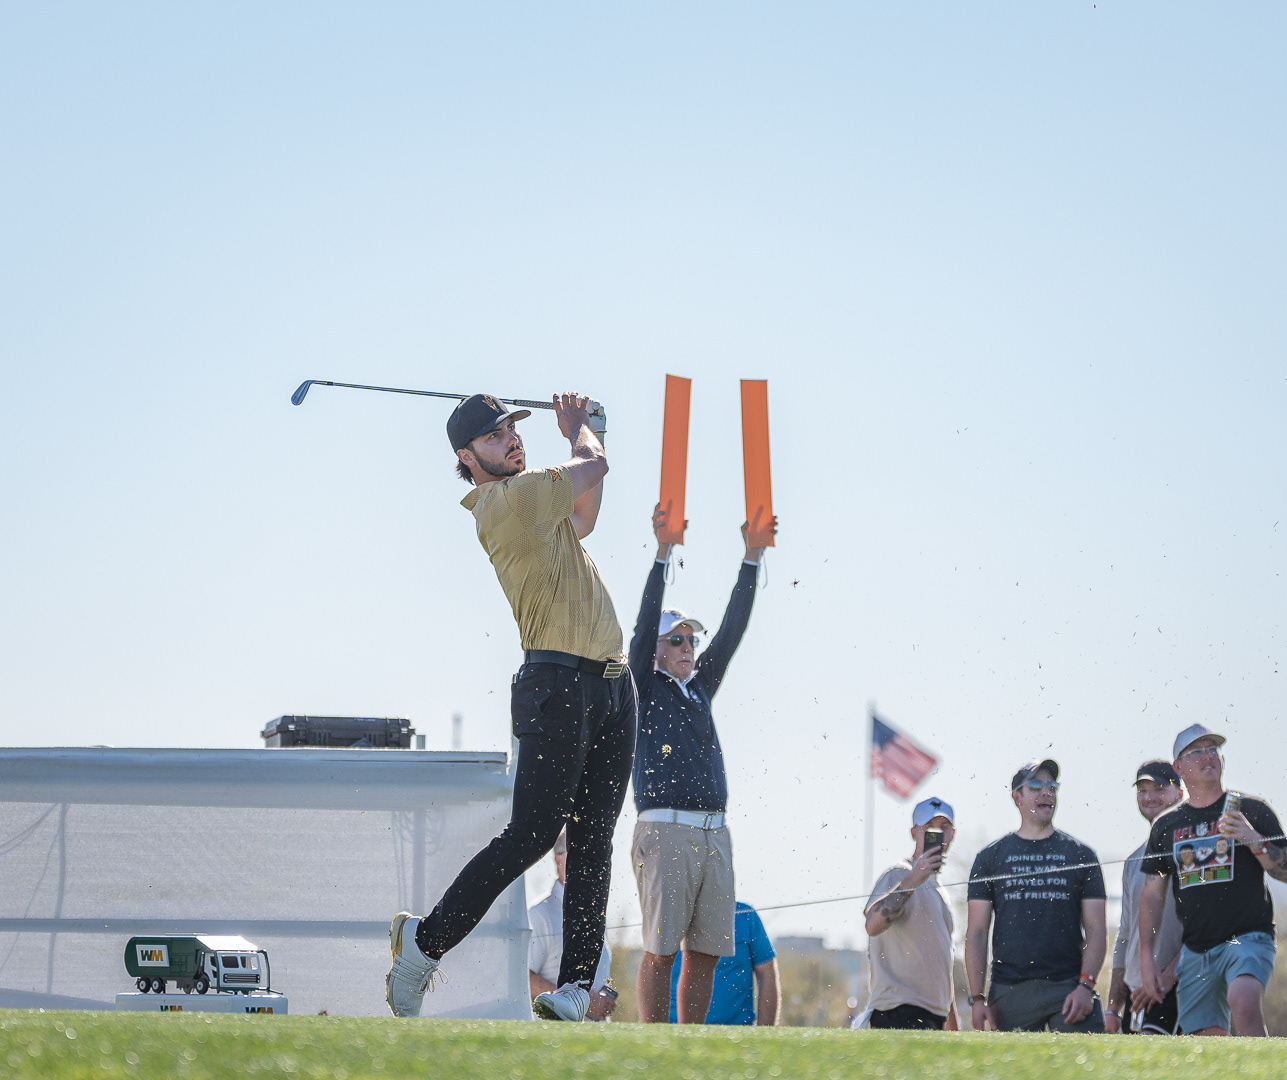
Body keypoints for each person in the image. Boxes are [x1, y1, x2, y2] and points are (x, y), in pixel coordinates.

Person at [386, 392, 637, 1023]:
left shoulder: (537, 503)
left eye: (511, 429)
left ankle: (576, 985)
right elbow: (591, 469)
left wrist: (593, 431)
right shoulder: (505, 502)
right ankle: (423, 945)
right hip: (556, 685)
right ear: (467, 458)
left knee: (592, 842)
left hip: (612, 685)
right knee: (532, 834)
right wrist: (580, 429)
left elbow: (585, 516)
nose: (512, 440)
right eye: (496, 437)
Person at [628, 503, 776, 1023]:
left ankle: (688, 1049)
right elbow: (644, 626)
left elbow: (732, 630)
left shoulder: (699, 688)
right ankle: (655, 1044)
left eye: (692, 639)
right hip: (664, 830)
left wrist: (751, 557)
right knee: (662, 951)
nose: (688, 647)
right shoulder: (642, 686)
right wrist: (663, 552)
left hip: (715, 832)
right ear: (656, 652)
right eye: (677, 640)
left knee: (708, 951)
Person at [1138, 724, 1287, 1038]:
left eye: (1212, 749)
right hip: (1196, 950)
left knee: (1243, 1000)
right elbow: (1151, 894)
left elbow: (1283, 870)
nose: (1208, 756)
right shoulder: (1166, 825)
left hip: (1247, 937)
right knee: (1207, 1042)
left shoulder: (1250, 809)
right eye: (1196, 751)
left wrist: (1253, 839)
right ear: (1178, 767)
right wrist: (1146, 959)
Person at [965, 760, 1107, 1033]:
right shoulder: (990, 857)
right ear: (1017, 797)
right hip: (1010, 990)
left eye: (1052, 786)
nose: (1047, 792)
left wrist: (1086, 986)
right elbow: (977, 933)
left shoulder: (1081, 855)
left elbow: (1097, 928)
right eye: (1035, 786)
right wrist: (977, 998)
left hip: (1069, 989)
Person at [859, 797, 959, 1031]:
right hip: (897, 1010)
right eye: (929, 828)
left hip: (934, 1014)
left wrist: (953, 1027)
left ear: (952, 834)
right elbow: (872, 925)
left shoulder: (940, 889)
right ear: (914, 832)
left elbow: (941, 964)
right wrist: (914, 878)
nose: (938, 834)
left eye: (944, 828)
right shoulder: (898, 874)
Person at [1104, 761, 1184, 1035]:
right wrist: (1113, 1007)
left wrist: (1165, 978)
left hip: (1174, 987)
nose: (1150, 797)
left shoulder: (1192, 853)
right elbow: (1124, 936)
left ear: (1180, 794)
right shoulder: (1132, 861)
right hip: (1135, 993)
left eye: (1160, 788)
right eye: (1143, 790)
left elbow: (1204, 929)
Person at [528, 829, 616, 1021]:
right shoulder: (540, 913)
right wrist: (586, 1002)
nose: (588, 861)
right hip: (553, 1036)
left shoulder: (595, 913)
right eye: (579, 853)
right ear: (558, 859)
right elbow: (524, 978)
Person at [666, 901, 780, 1025]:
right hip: (676, 1033)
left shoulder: (745, 915)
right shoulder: (669, 917)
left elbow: (767, 973)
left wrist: (764, 1032)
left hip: (738, 1033)